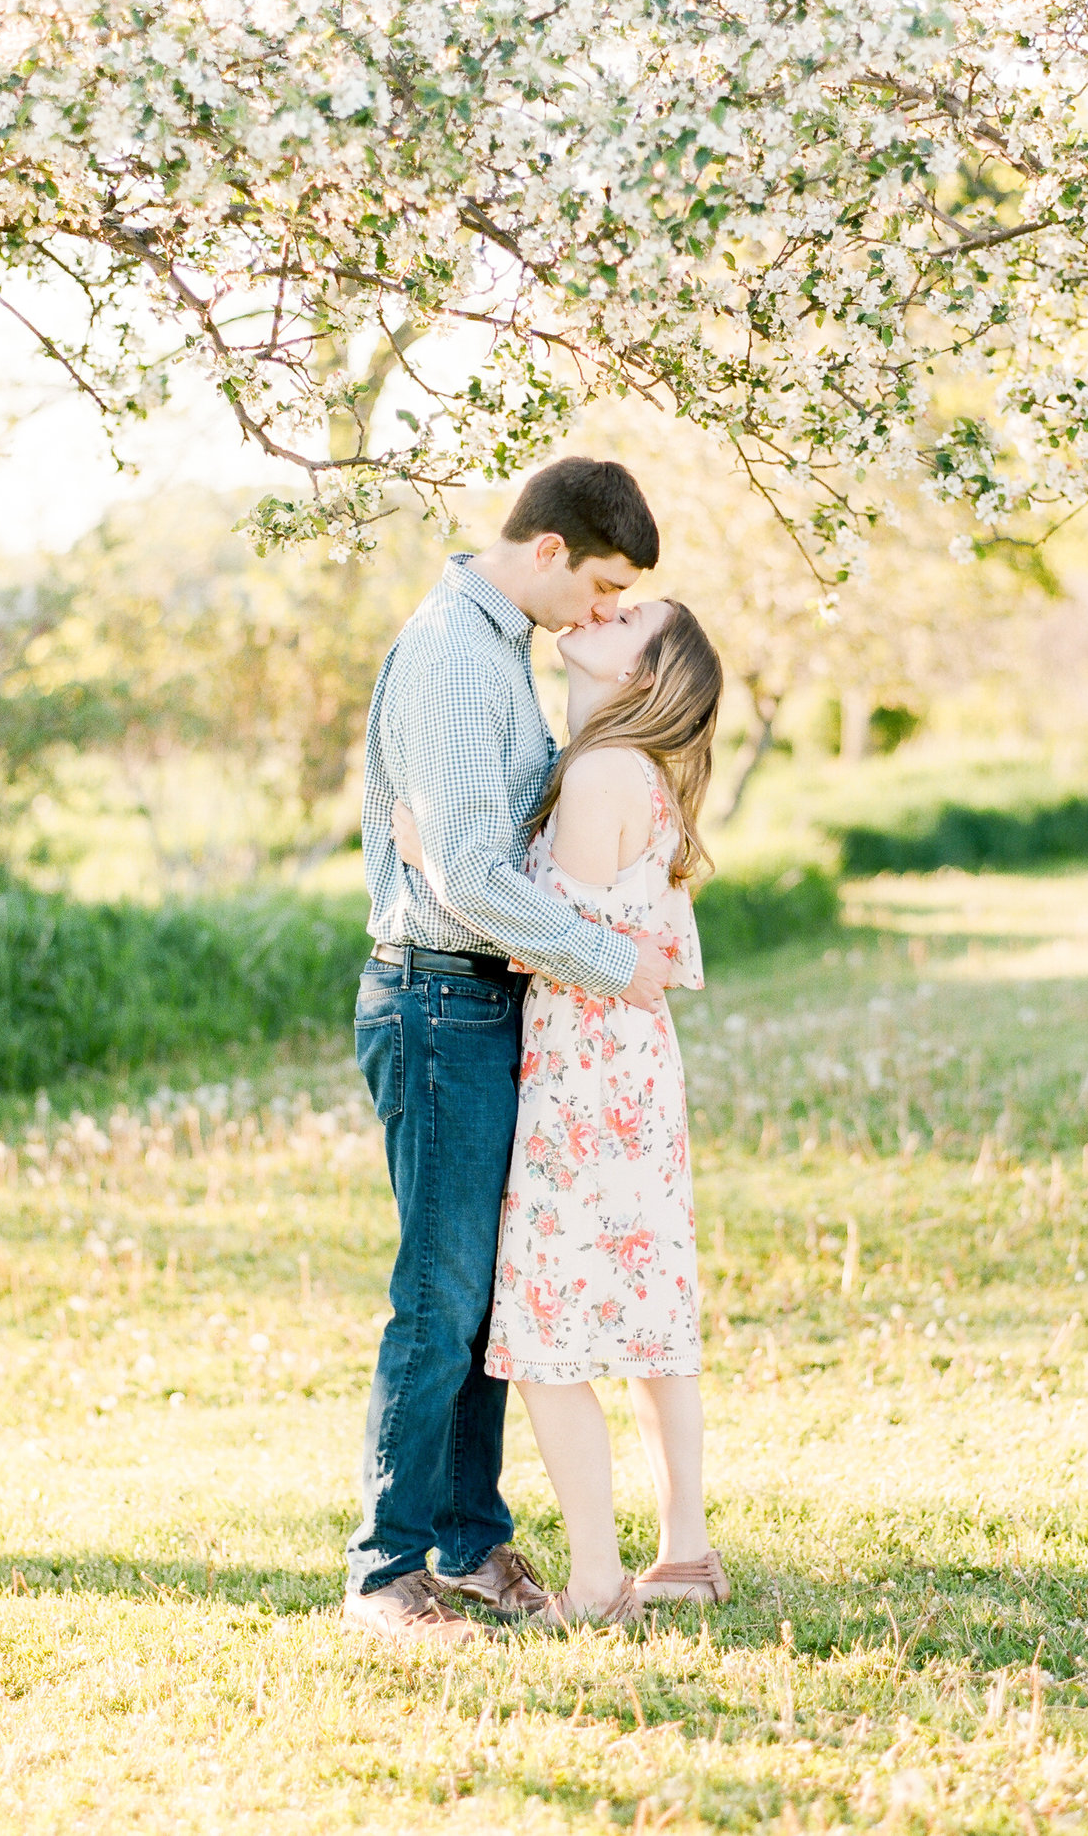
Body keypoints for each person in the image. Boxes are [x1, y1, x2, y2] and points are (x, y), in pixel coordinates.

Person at [341, 457, 675, 1647]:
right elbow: (472, 878)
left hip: (487, 1005)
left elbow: (482, 850)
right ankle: (386, 1571)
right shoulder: (449, 656)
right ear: (546, 553)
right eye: (600, 586)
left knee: (490, 1299)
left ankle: (470, 1544)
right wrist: (605, 959)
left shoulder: (500, 651)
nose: (601, 612)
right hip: (438, 1004)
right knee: (438, 1297)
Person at [407, 595, 729, 1626]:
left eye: (630, 617)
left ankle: (598, 1584)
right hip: (628, 1070)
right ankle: (683, 1552)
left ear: (643, 674)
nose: (604, 609)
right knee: (646, 1320)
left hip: (584, 1075)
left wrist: (431, 860)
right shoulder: (635, 774)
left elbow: (549, 939)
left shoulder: (597, 775)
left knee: (545, 1335)